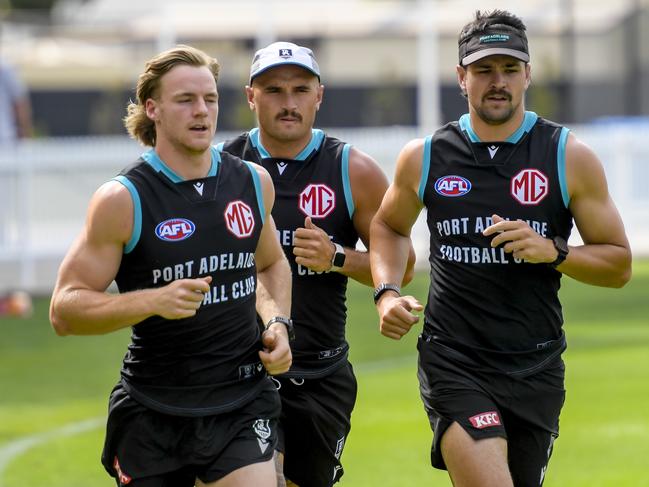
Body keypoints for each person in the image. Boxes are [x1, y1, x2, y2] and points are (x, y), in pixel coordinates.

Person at [369, 10, 632, 487]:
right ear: (461, 78)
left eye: (510, 69)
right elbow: (388, 225)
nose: (498, 82)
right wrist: (386, 291)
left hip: (536, 365)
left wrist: (554, 251)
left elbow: (618, 264)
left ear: (528, 75)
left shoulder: (566, 155)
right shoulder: (425, 155)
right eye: (484, 70)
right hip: (455, 361)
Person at [49, 45, 294, 487]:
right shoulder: (123, 199)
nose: (202, 111)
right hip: (153, 411)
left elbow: (271, 264)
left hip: (240, 401)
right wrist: (152, 300)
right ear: (153, 109)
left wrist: (277, 321)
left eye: (211, 99)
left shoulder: (252, 182)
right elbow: (64, 311)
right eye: (185, 100)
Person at [218, 41, 413, 487]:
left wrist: (338, 258)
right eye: (273, 91)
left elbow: (401, 267)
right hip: (240, 372)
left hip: (320, 374)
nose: (288, 103)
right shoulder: (223, 168)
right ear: (251, 97)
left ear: (319, 95)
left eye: (300, 90)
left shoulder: (352, 170)